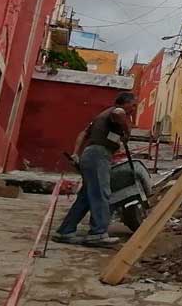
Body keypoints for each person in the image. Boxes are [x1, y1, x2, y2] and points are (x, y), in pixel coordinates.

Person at [52, 92, 137, 247]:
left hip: (90, 154)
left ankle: (65, 231)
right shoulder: (117, 111)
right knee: (101, 193)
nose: (134, 108)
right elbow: (119, 114)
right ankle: (98, 233)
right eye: (133, 105)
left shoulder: (101, 116)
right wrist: (126, 130)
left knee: (86, 197)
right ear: (124, 103)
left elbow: (83, 133)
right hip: (99, 155)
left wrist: (76, 153)